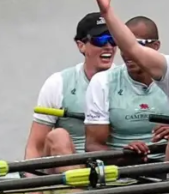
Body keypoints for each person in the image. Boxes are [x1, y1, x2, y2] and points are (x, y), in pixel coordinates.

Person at [25, 12, 116, 161]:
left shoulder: (126, 80)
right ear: (81, 45)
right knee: (58, 136)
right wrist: (29, 175)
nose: (108, 47)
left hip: (113, 165)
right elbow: (36, 147)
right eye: (100, 40)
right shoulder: (58, 83)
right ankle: (73, 176)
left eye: (113, 40)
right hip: (70, 164)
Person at [84, 16, 169, 156]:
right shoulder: (103, 82)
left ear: (155, 46)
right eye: (122, 44)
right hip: (122, 165)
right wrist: (124, 155)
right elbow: (93, 145)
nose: (128, 52)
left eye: (136, 44)